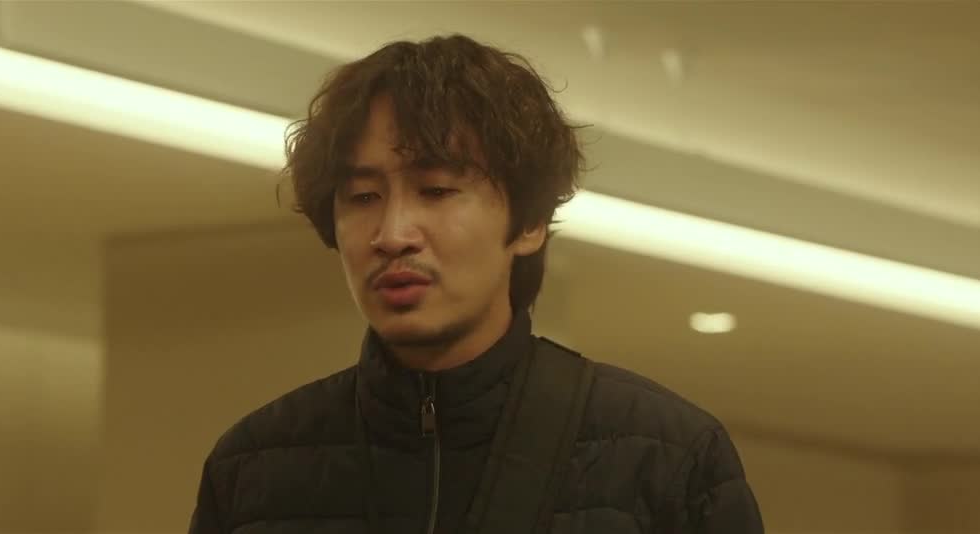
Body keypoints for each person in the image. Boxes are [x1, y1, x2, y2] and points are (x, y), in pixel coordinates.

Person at [188, 34, 764, 534]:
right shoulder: (253, 470)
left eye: (437, 191)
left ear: (529, 223)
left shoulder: (665, 458)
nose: (392, 234)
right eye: (363, 197)